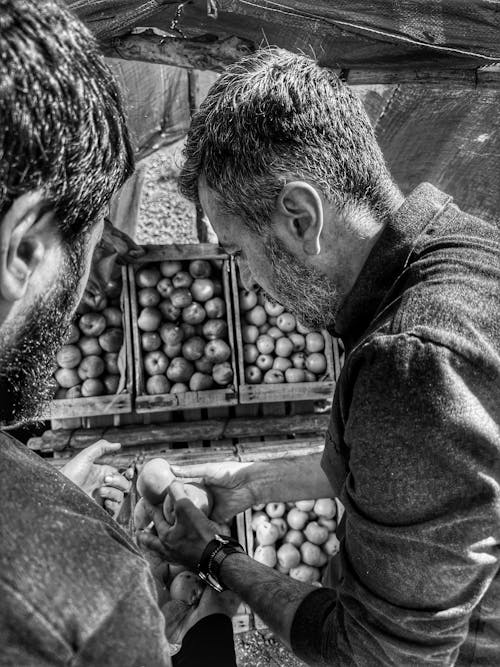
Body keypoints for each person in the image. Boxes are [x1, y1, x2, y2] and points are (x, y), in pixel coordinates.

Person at [140, 48, 500, 666]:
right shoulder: (469, 249)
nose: (248, 279)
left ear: (301, 217)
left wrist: (214, 558)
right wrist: (255, 484)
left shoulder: (410, 364)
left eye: (240, 250)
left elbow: (375, 654)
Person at [0, 2, 237, 665]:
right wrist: (185, 630)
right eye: (87, 245)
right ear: (24, 248)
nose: (83, 295)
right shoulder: (90, 591)